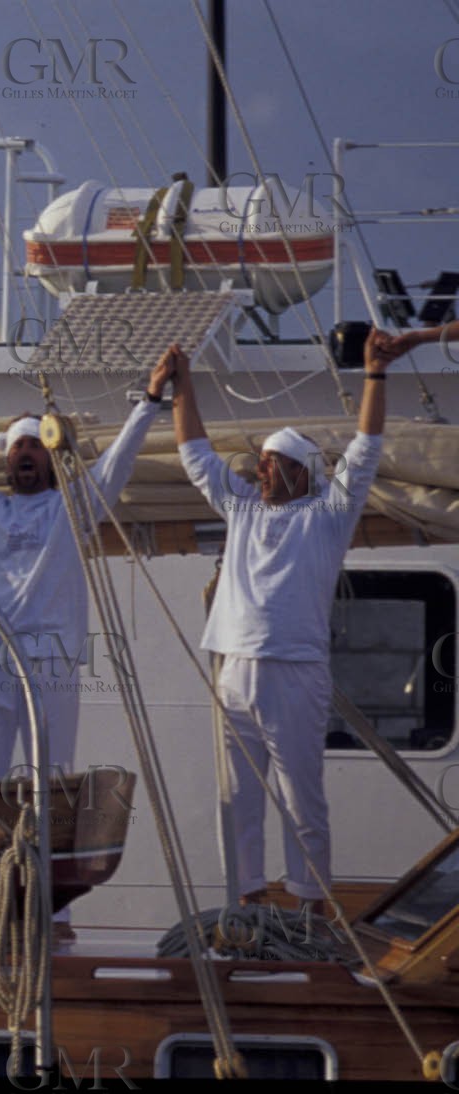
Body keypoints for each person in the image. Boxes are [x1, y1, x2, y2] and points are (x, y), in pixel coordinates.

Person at [171, 332, 394, 913]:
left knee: (301, 799)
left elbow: (365, 451)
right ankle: (247, 904)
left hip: (294, 672)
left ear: (302, 471)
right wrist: (182, 382)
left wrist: (374, 375)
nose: (261, 469)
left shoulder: (326, 516)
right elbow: (195, 454)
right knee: (236, 798)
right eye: (262, 462)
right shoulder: (242, 509)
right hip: (233, 670)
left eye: (273, 462)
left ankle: (310, 906)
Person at [0, 343, 169, 782]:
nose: (26, 451)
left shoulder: (72, 508)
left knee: (52, 775)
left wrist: (150, 400)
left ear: (52, 457)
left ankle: (49, 829)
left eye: (37, 446)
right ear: (7, 458)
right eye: (19, 445)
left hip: (50, 658)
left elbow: (117, 462)